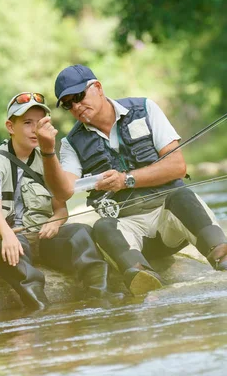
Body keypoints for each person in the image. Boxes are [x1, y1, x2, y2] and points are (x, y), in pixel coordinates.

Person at [36, 64, 227, 296]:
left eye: (79, 96)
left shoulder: (145, 109)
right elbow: (64, 191)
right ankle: (141, 276)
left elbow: (177, 166)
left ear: (97, 87)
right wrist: (48, 151)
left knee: (183, 195)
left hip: (170, 221)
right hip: (127, 230)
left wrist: (126, 180)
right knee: (102, 226)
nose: (76, 106)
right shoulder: (70, 144)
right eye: (68, 104)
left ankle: (221, 255)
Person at [0, 91, 123, 310]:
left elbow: (61, 209)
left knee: (81, 232)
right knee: (16, 247)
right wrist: (7, 235)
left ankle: (100, 296)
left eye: (39, 123)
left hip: (41, 239)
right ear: (11, 127)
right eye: (27, 123)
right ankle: (41, 308)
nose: (35, 130)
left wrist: (56, 222)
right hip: (7, 238)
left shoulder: (47, 158)